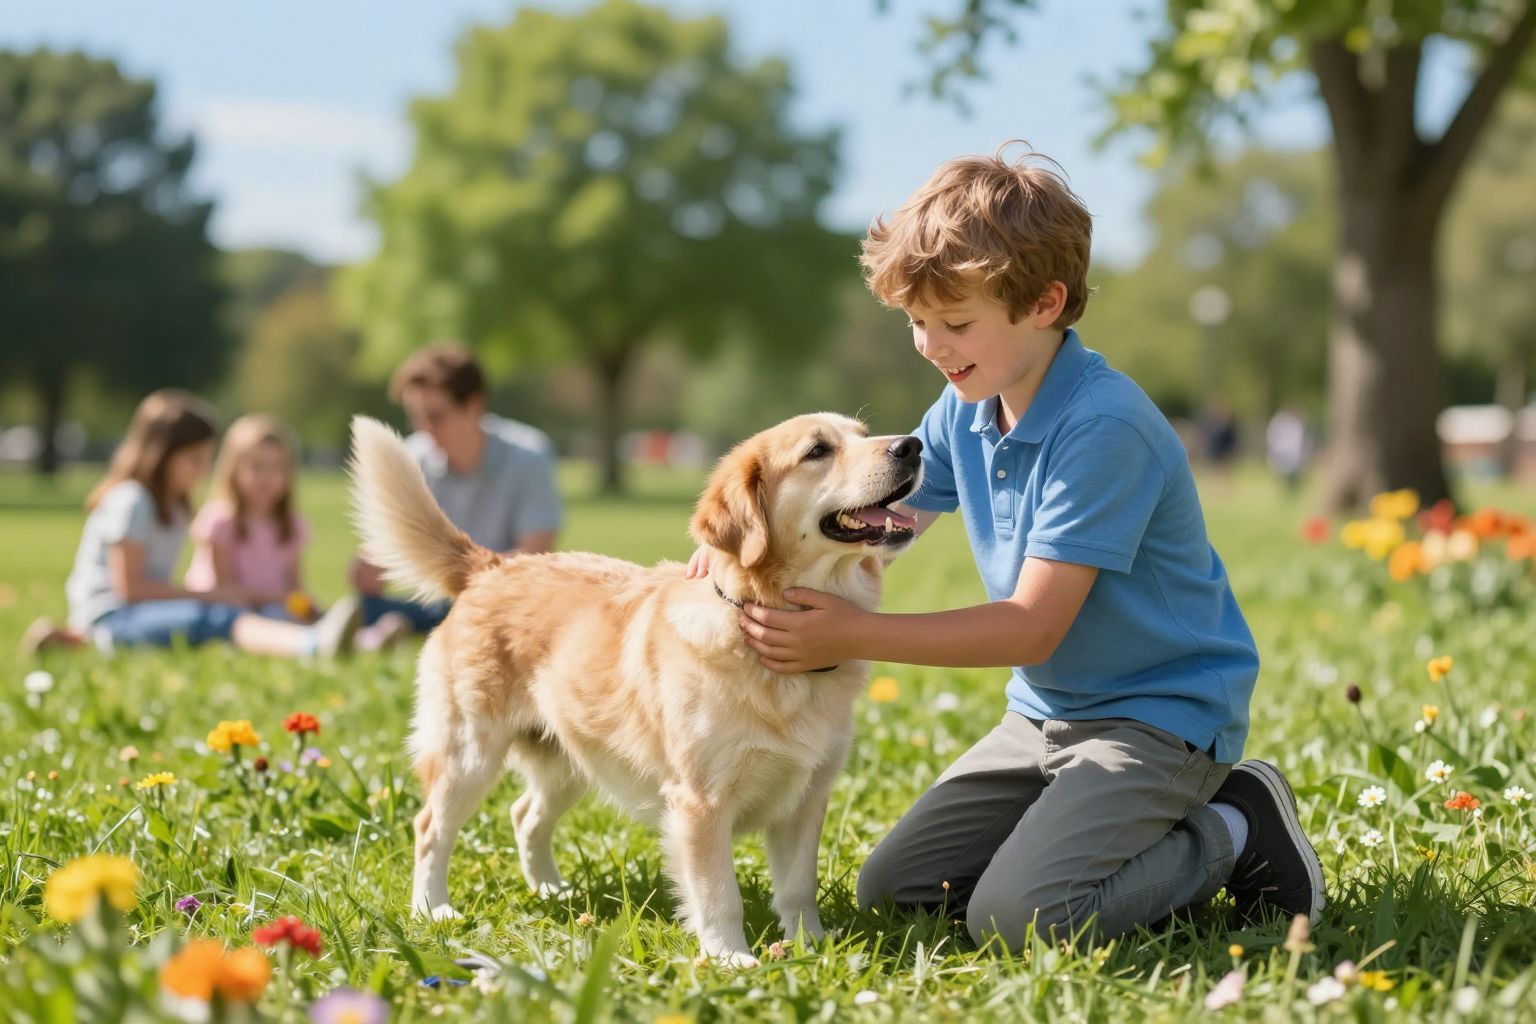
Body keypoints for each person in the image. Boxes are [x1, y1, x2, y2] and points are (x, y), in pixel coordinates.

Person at [688, 146, 1322, 950]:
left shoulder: (1103, 428)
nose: (930, 346)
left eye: (954, 324)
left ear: (1046, 303)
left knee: (1021, 920)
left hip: (1157, 721)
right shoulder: (968, 407)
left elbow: (1030, 629)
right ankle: (1078, 824)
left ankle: (1235, 824)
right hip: (1046, 716)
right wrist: (747, 541)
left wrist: (852, 635)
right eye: (917, 323)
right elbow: (880, 514)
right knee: (896, 892)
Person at [23, 390, 360, 657]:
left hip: (136, 616)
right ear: (161, 455)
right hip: (112, 618)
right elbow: (131, 590)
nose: (203, 469)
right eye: (194, 459)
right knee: (215, 617)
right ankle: (311, 646)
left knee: (210, 616)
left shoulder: (173, 507)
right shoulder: (132, 501)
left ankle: (68, 642)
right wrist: (209, 595)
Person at [351, 342, 562, 648]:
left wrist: (460, 575)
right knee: (365, 609)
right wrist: (374, 564)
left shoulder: (528, 457)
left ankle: (400, 628)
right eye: (416, 417)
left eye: (435, 417)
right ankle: (394, 627)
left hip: (505, 600)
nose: (425, 430)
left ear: (474, 405)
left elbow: (535, 556)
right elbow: (384, 554)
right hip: (436, 598)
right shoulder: (414, 458)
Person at [184, 414, 318, 621]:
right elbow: (224, 588)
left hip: (273, 606)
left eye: (277, 467)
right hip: (221, 610)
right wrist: (277, 598)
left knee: (308, 615)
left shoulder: (290, 525)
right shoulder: (220, 521)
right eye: (257, 466)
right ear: (233, 469)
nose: (267, 477)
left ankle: (364, 637)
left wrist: (306, 606)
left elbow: (294, 583)